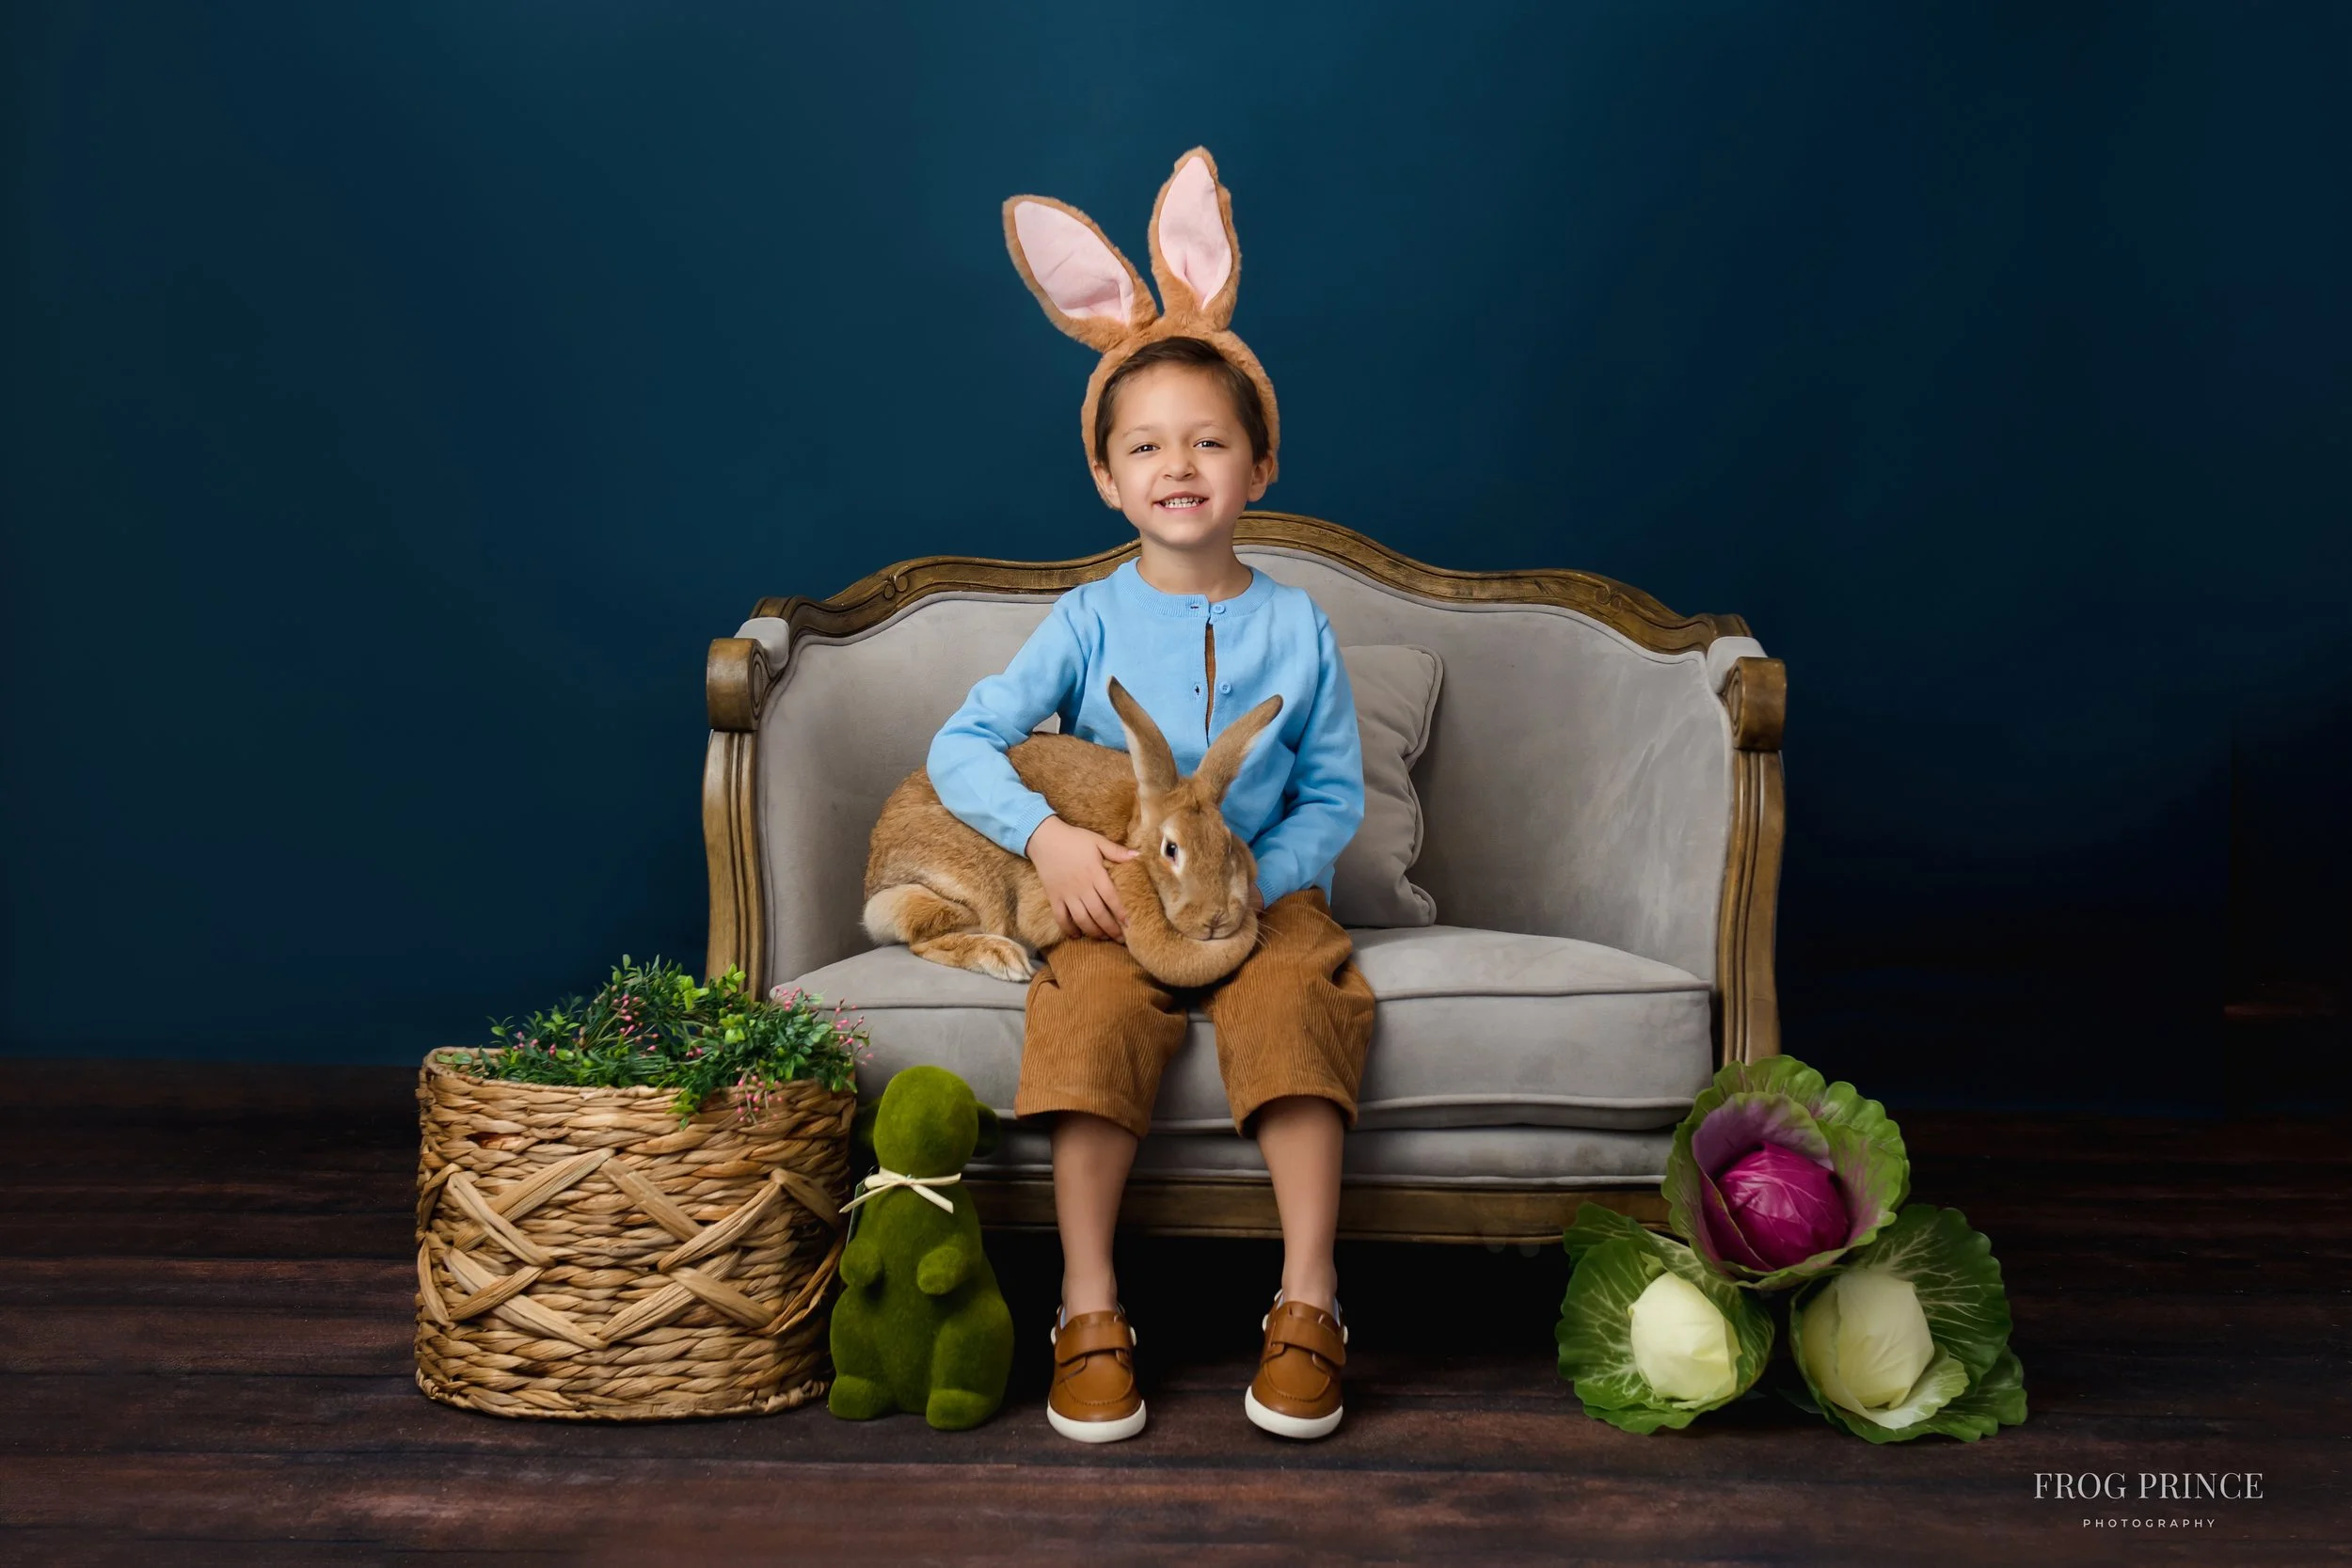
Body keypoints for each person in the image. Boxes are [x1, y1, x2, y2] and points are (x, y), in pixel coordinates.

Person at [925, 150, 1373, 1445]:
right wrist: (1051, 841)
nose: (1181, 464)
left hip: (1255, 899)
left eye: (1211, 441)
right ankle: (1088, 1302)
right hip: (1124, 895)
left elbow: (1334, 794)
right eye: (1147, 446)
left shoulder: (1300, 626)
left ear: (1260, 465)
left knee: (1295, 999)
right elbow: (964, 744)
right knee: (1088, 1010)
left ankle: (1309, 1296)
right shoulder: (1084, 620)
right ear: (1107, 478)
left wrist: (1263, 882)